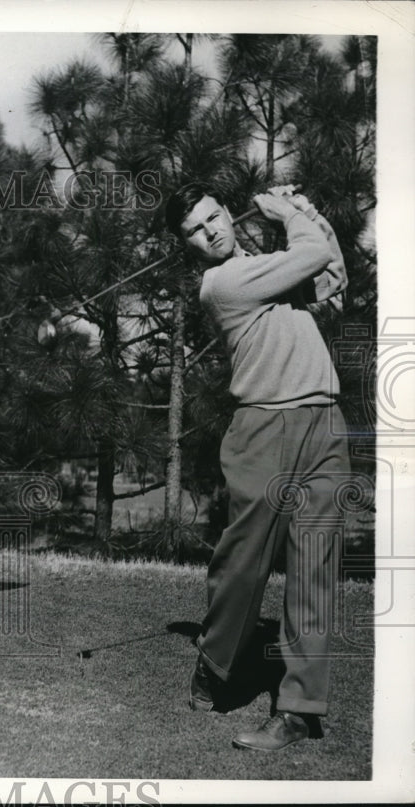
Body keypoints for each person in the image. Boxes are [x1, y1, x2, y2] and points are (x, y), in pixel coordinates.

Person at [165, 182, 350, 751]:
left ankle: (297, 710)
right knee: (243, 564)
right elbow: (311, 254)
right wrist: (289, 211)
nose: (210, 232)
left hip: (324, 423)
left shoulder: (269, 266)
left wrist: (309, 211)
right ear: (189, 246)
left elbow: (332, 277)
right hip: (263, 428)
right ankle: (216, 661)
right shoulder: (221, 283)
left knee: (315, 567)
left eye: (213, 218)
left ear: (227, 212)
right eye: (195, 231)